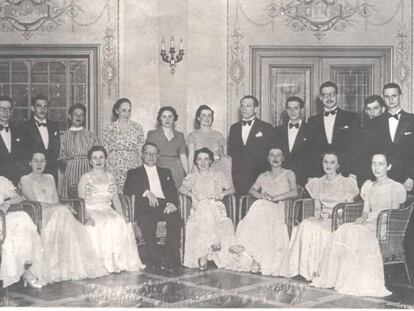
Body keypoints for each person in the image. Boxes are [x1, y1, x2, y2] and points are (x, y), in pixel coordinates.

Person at [311, 153, 404, 297]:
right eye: (374, 164)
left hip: (384, 225)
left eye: (381, 164)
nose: (377, 168)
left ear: (389, 166)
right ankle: (339, 278)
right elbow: (366, 211)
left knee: (356, 233)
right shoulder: (369, 186)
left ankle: (356, 281)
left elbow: (393, 213)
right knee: (344, 229)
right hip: (369, 222)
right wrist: (362, 218)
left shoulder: (395, 186)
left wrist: (377, 224)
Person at [19, 152, 106, 284]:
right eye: (35, 161)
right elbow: (34, 202)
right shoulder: (25, 179)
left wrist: (63, 206)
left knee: (64, 213)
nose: (39, 164)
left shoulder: (50, 178)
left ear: (46, 163)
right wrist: (59, 207)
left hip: (56, 212)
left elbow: (56, 199)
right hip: (39, 214)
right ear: (30, 163)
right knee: (63, 213)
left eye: (42, 161)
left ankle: (64, 268)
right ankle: (50, 269)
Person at [280, 151, 359, 281]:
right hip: (323, 218)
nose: (328, 165)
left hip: (339, 220)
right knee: (305, 224)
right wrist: (320, 215)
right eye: (325, 161)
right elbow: (317, 208)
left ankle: (318, 271)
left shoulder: (346, 183)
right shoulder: (317, 183)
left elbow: (348, 208)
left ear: (338, 165)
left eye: (332, 162)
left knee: (315, 228)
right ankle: (305, 270)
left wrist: (331, 214)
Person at [228, 147, 298, 276]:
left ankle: (244, 247)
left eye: (278, 155)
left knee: (259, 207)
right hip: (263, 208)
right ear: (268, 159)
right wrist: (262, 196)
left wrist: (274, 198)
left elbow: (294, 192)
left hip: (279, 208)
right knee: (260, 208)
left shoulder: (288, 173)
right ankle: (255, 259)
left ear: (283, 158)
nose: (275, 158)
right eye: (272, 155)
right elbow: (251, 190)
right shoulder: (263, 175)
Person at [78, 146, 144, 273]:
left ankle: (118, 262)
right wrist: (87, 217)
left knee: (119, 221)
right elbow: (81, 201)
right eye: (95, 158)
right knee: (104, 222)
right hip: (91, 210)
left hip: (107, 209)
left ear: (105, 159)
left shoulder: (110, 177)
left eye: (101, 157)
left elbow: (116, 200)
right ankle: (103, 264)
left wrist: (122, 215)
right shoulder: (85, 178)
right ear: (90, 161)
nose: (98, 161)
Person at [124, 143, 182, 273]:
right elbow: (127, 190)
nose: (151, 156)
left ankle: (171, 259)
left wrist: (171, 203)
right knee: (148, 220)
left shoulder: (165, 172)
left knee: (176, 219)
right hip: (145, 205)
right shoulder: (134, 172)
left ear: (158, 156)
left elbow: (173, 191)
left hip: (165, 205)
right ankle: (156, 259)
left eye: (154, 154)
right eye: (148, 153)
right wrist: (146, 192)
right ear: (142, 155)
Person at [179, 147, 235, 270]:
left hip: (216, 208)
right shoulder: (192, 176)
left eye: (206, 159)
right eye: (199, 159)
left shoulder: (218, 175)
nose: (202, 162)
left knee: (210, 207)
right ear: (195, 161)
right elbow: (182, 189)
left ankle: (204, 254)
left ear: (210, 161)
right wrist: (192, 195)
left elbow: (232, 189)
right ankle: (211, 245)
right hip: (199, 209)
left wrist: (223, 194)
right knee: (204, 205)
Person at [307, 81, 360, 178]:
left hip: (345, 172)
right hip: (320, 173)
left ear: (337, 96)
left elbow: (356, 148)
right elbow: (310, 151)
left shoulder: (351, 117)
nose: (329, 98)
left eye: (332, 94)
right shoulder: (312, 121)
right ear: (320, 97)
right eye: (325, 95)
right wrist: (312, 175)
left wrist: (353, 172)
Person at [0, 176, 43, 288]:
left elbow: (18, 198)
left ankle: (25, 269)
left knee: (21, 217)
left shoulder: (2, 181)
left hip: (2, 217)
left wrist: (6, 204)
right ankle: (17, 271)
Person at [228, 95, 274, 197]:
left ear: (255, 109)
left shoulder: (266, 127)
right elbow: (231, 152)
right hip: (238, 176)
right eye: (242, 106)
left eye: (248, 106)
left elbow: (269, 152)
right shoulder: (234, 128)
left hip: (258, 175)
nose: (244, 109)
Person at [102, 98, 145, 193]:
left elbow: (141, 149)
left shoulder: (137, 127)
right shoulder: (109, 128)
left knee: (132, 194)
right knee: (115, 195)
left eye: (129, 111)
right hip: (114, 167)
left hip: (132, 167)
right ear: (117, 111)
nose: (127, 114)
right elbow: (105, 150)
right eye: (123, 110)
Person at [59, 104, 99, 198]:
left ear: (84, 117)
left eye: (81, 115)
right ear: (70, 116)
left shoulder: (91, 135)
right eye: (75, 114)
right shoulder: (64, 136)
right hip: (71, 172)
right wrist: (70, 165)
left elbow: (99, 154)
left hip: (88, 169)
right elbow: (61, 157)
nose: (78, 117)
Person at [18, 95, 60, 183]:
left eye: (45, 106)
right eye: (39, 106)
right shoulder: (23, 127)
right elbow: (22, 153)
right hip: (32, 174)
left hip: (51, 173)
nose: (42, 109)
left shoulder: (54, 126)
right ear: (32, 108)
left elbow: (56, 150)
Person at [187, 105, 232, 185]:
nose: (207, 118)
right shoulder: (192, 135)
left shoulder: (219, 136)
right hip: (199, 170)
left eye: (209, 115)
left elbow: (223, 157)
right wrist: (189, 175)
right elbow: (191, 157)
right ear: (198, 118)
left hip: (216, 170)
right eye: (203, 115)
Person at [146, 106, 188, 188]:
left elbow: (183, 156)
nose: (167, 120)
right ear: (160, 119)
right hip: (158, 169)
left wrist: (188, 174)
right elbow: (148, 156)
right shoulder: (152, 134)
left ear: (174, 118)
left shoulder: (180, 135)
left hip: (176, 171)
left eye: (170, 116)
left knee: (176, 197)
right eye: (164, 117)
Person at [274, 96, 311, 186]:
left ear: (302, 110)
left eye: (296, 108)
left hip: (303, 177)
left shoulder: (311, 130)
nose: (292, 111)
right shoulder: (277, 130)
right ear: (286, 110)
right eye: (289, 108)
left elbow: (313, 157)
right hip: (282, 178)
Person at [0, 96, 29, 186]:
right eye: (2, 109)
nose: (5, 112)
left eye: (8, 109)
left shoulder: (18, 129)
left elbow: (23, 155)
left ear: (12, 111)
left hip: (16, 181)